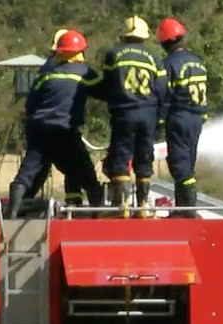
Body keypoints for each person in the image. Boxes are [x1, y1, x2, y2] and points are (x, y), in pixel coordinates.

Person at [7, 29, 105, 219]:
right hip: (64, 131)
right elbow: (104, 91)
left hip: (38, 130)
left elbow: (30, 104)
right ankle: (98, 213)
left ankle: (11, 213)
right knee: (84, 170)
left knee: (28, 171)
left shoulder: (45, 75)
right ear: (80, 52)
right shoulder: (84, 72)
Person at [97, 15, 167, 215]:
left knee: (120, 158)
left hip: (123, 113)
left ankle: (123, 207)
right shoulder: (154, 57)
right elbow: (162, 90)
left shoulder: (113, 54)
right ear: (144, 37)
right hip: (148, 115)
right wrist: (160, 118)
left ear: (124, 35)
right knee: (144, 159)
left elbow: (107, 84)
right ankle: (143, 207)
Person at [24, 28, 84, 206]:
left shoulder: (47, 69)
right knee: (75, 168)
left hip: (40, 127)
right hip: (60, 128)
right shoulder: (58, 68)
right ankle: (76, 204)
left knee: (36, 170)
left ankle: (21, 204)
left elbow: (31, 102)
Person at [155, 17, 208, 215]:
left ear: (163, 42)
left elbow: (164, 96)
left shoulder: (168, 64)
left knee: (180, 165)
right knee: (188, 162)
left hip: (179, 118)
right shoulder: (198, 62)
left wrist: (159, 122)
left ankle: (187, 211)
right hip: (197, 119)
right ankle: (182, 209)